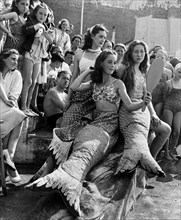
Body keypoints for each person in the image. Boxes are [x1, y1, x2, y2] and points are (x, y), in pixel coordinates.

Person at [26, 49, 152, 216]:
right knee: (67, 140)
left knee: (87, 148)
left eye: (115, 62)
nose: (113, 65)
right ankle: (60, 178)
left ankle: (68, 181)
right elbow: (74, 86)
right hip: (93, 121)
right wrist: (87, 71)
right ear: (101, 63)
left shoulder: (118, 84)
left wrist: (143, 103)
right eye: (109, 62)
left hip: (109, 124)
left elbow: (129, 105)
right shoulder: (95, 83)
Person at [115, 40, 166, 177]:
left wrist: (154, 114)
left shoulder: (144, 73)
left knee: (166, 129)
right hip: (128, 109)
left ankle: (151, 159)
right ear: (130, 53)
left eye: (142, 51)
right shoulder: (123, 70)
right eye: (136, 51)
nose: (139, 54)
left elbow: (147, 98)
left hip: (144, 110)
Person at [20, 3, 52, 116]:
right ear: (36, 13)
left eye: (45, 14)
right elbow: (25, 31)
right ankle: (23, 106)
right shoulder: (31, 22)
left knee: (33, 82)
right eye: (40, 13)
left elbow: (50, 43)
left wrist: (49, 38)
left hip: (39, 56)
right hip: (29, 53)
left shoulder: (47, 27)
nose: (42, 16)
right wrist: (37, 26)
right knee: (27, 81)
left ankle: (28, 107)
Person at [0, 49, 26, 183]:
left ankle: (9, 155)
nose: (16, 62)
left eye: (17, 59)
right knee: (16, 116)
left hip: (8, 107)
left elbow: (13, 96)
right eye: (12, 59)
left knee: (18, 115)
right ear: (4, 59)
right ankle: (8, 159)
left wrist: (10, 99)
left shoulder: (17, 75)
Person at [162, 63, 181, 160]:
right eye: (179, 71)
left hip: (179, 109)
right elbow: (165, 97)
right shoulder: (169, 83)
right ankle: (165, 152)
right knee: (167, 130)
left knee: (177, 131)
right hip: (169, 107)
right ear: (174, 71)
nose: (180, 74)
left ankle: (172, 151)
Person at [152, 49, 172, 117]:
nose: (159, 59)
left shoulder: (168, 72)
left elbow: (168, 87)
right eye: (157, 57)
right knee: (150, 116)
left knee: (157, 116)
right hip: (150, 97)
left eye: (162, 57)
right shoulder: (150, 70)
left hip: (160, 99)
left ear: (166, 60)